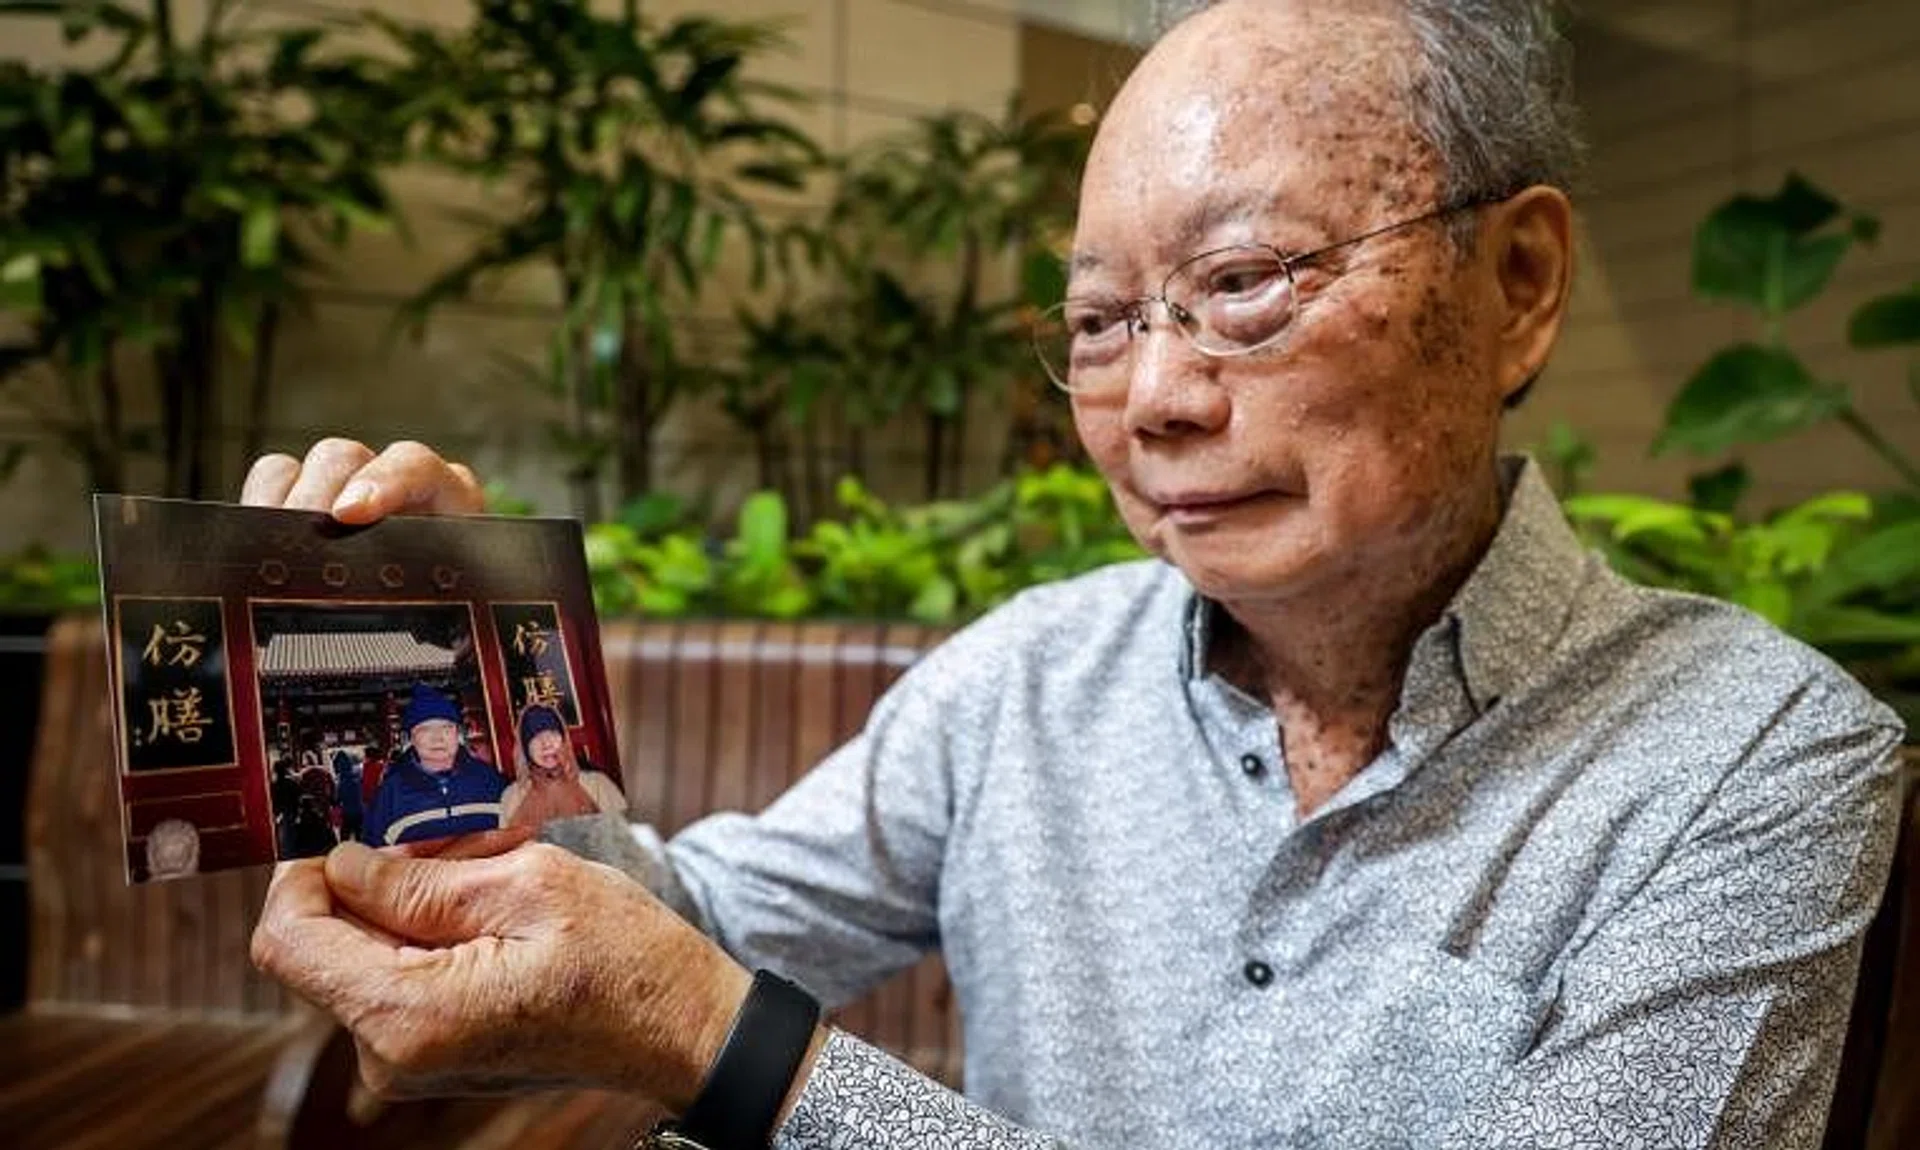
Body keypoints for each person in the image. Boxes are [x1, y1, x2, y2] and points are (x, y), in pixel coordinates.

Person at [246, 1, 1906, 1147]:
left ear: (1520, 282)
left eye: (1246, 279)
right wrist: (463, 687)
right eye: (1102, 319)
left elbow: (694, 1000)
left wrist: (731, 1052)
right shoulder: (1029, 674)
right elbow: (687, 926)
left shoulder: (1753, 760)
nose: (1159, 398)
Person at [360, 684, 507, 847]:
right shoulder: (390, 794)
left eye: (446, 728)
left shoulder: (491, 781)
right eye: (425, 729)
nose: (438, 738)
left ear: (457, 733)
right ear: (411, 739)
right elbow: (374, 858)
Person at [499, 703, 627, 831]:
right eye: (535, 737)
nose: (546, 744)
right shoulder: (512, 797)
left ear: (564, 741)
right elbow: (506, 846)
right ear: (525, 749)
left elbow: (627, 838)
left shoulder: (598, 785)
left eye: (553, 734)